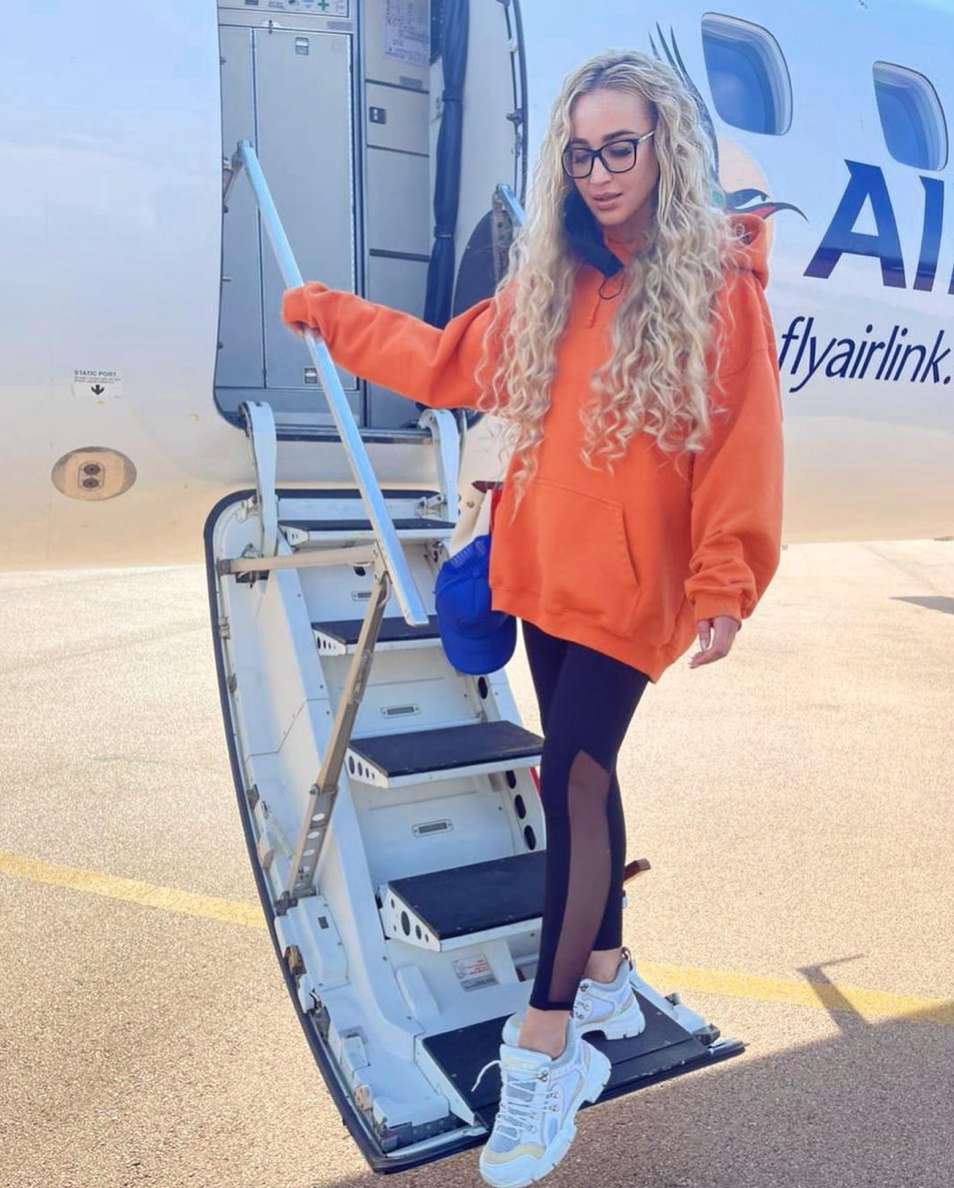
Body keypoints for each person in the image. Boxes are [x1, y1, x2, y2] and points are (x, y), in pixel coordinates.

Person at [282, 47, 783, 1188]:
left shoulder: (718, 285)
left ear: (665, 150)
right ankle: (605, 976)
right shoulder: (550, 281)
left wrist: (727, 580)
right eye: (582, 153)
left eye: (621, 148)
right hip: (547, 569)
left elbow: (743, 444)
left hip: (633, 590)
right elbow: (443, 364)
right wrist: (332, 316)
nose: (600, 172)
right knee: (583, 771)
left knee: (573, 781)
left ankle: (547, 1044)